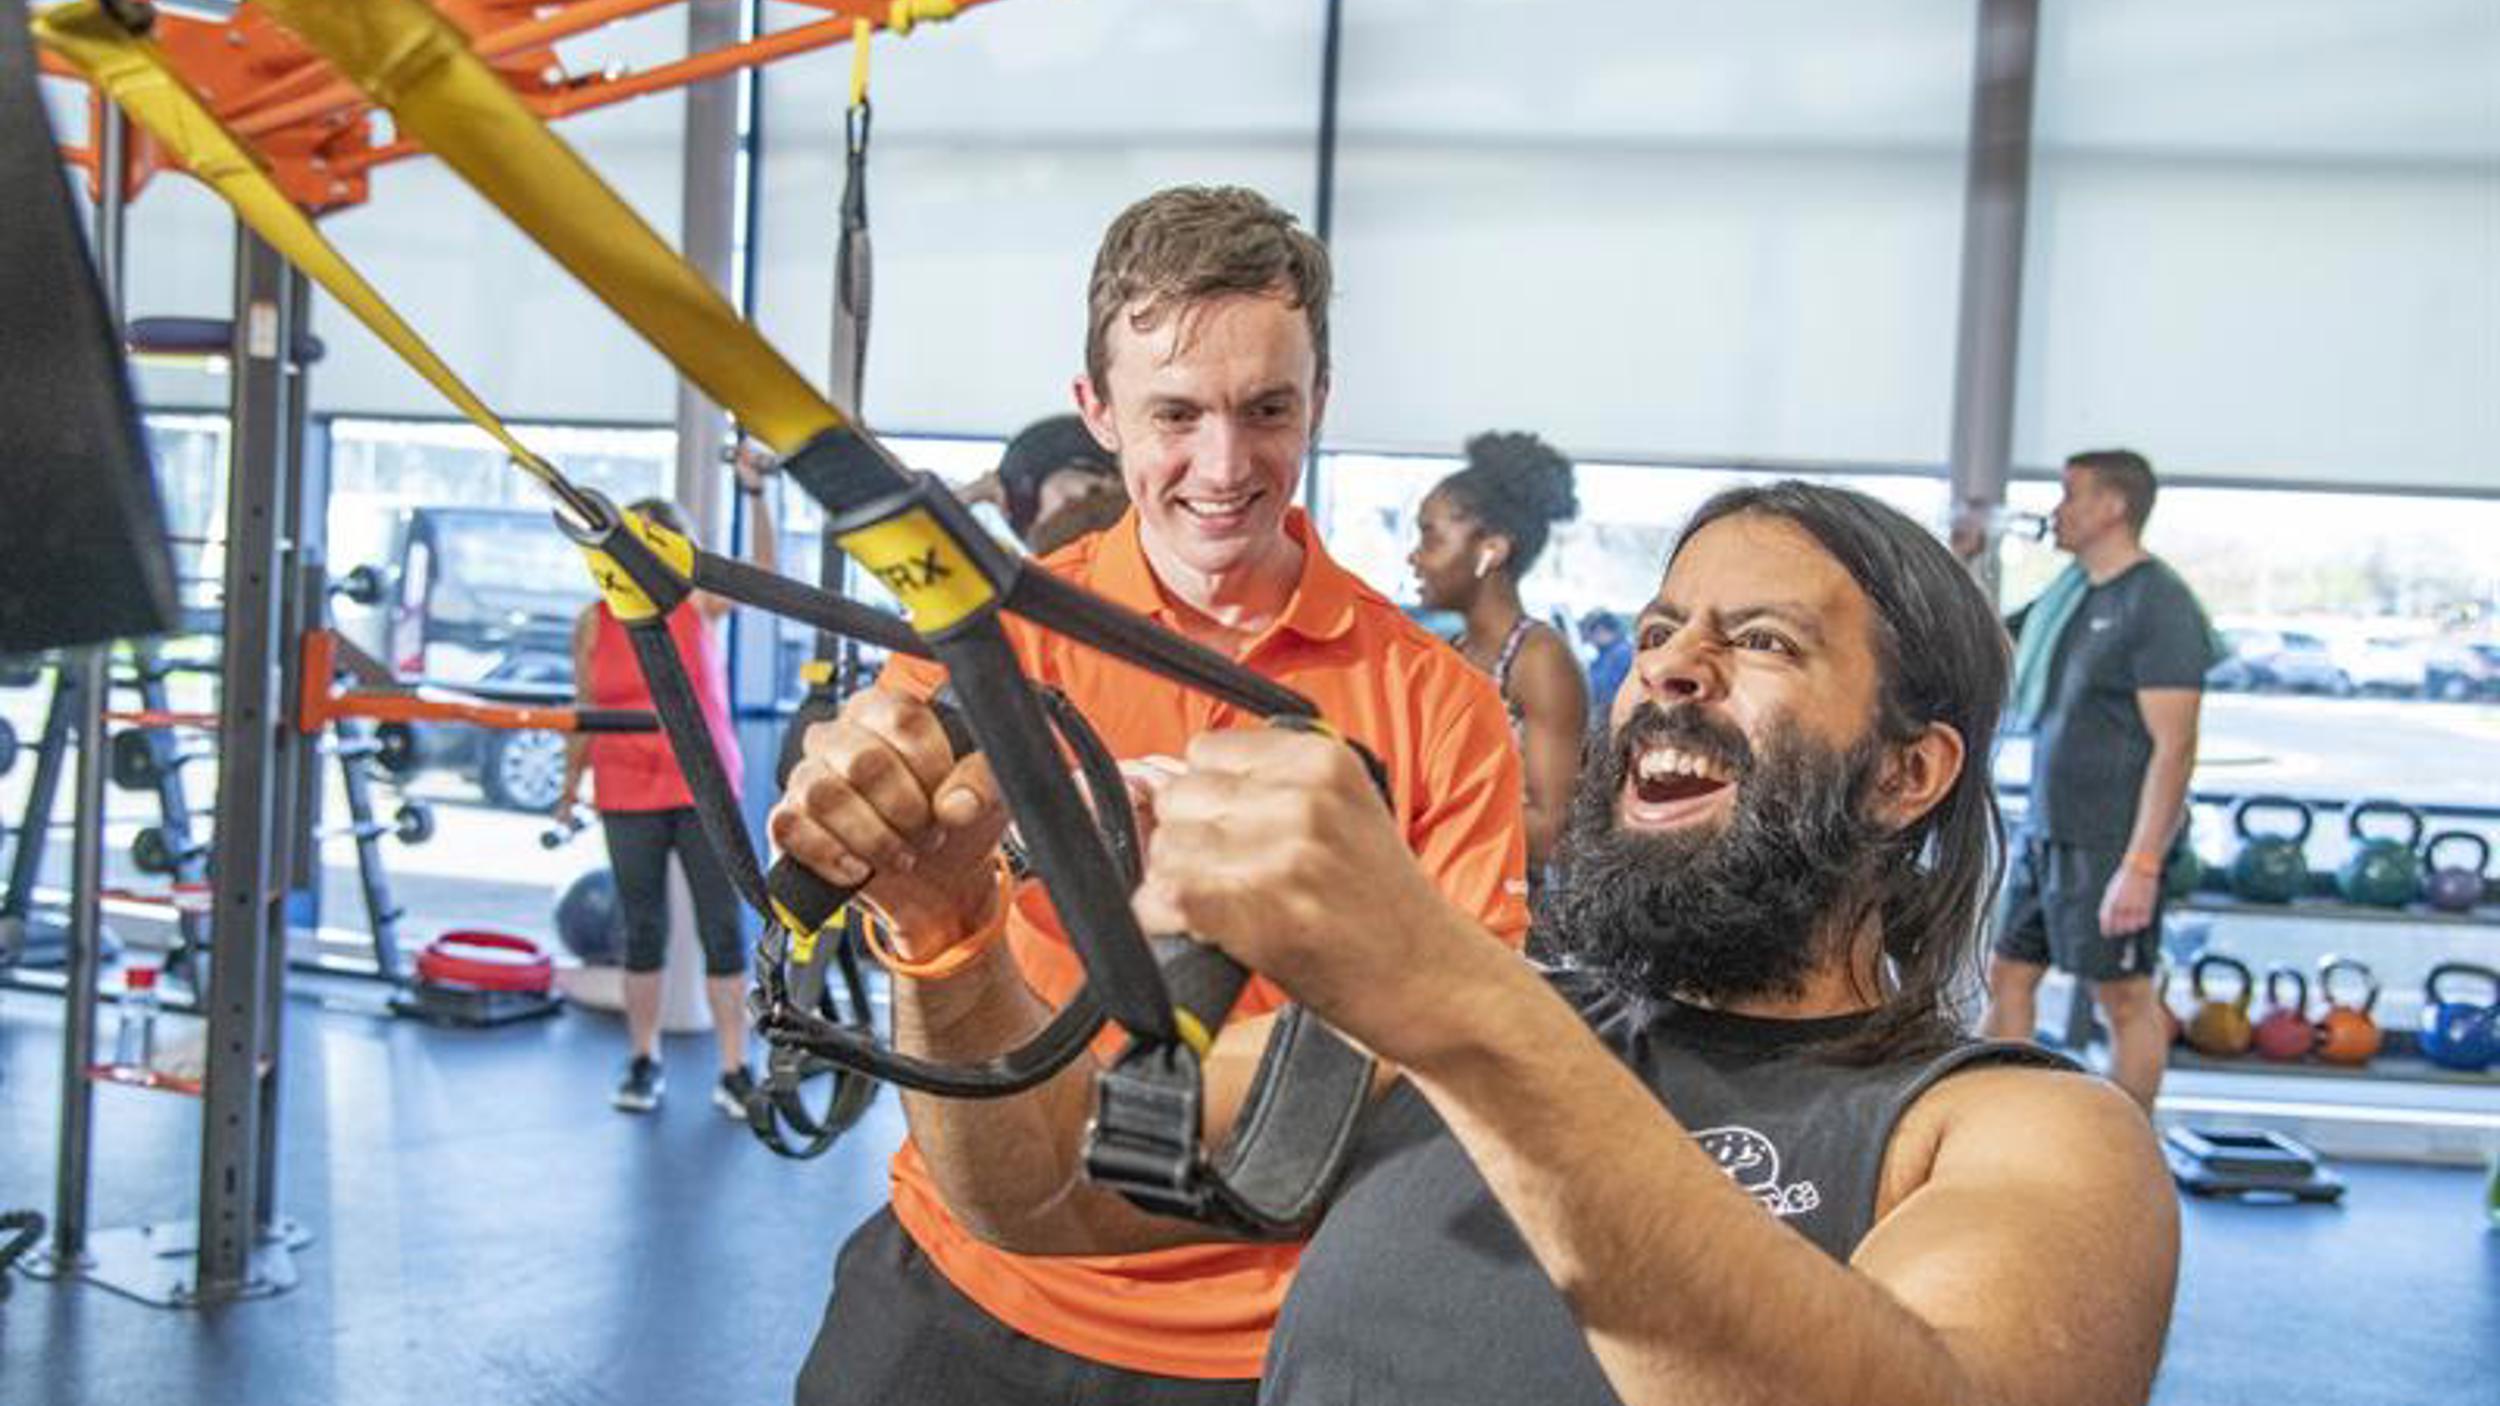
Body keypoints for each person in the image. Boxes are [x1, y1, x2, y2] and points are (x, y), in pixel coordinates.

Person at [789, 481, 2179, 1406]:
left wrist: (1444, 986)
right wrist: (946, 925)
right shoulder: (1435, 1038)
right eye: (1658, 629)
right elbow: (1032, 1189)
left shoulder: (2022, 1128)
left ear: (1905, 771)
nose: (1671, 668)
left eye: (1757, 640)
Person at [772, 185, 1529, 1405]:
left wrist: (1273, 908)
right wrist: (878, 834)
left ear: (1317, 403)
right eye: (1174, 413)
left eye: (1266, 409)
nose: (1223, 467)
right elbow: (913, 919)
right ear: (1099, 413)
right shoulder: (985, 648)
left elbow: (1450, 1042)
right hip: (965, 1283)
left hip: (1247, 1344)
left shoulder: (1438, 705)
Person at [1979, 449, 2216, 1113]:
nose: (2057, 510)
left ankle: (2129, 1149)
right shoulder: (2071, 596)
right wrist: (1967, 555)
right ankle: (2002, 1126)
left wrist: (2141, 865)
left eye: (2071, 495)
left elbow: (2177, 747)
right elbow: (1982, 638)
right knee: (2008, 975)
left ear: (2113, 507)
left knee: (2125, 996)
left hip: (2114, 839)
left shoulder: (2158, 604)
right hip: (2049, 828)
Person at [555, 446, 777, 1115]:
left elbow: (764, 574)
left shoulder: (695, 602)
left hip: (703, 784)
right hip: (624, 788)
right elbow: (584, 710)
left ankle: (736, 1069)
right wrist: (569, 790)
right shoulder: (596, 619)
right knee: (641, 930)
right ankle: (643, 1060)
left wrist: (756, 495)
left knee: (722, 930)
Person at [1406, 432, 1589, 872]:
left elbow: (1551, 830)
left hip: (1509, 922)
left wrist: (1413, 817)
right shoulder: (1448, 654)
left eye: (1430, 538)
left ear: (1490, 550)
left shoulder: (1540, 660)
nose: (1414, 557)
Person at [1578, 607, 1633, 712]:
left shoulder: (1621, 654)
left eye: (1589, 632)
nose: (1588, 639)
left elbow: (1603, 691)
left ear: (1600, 629)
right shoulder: (1605, 654)